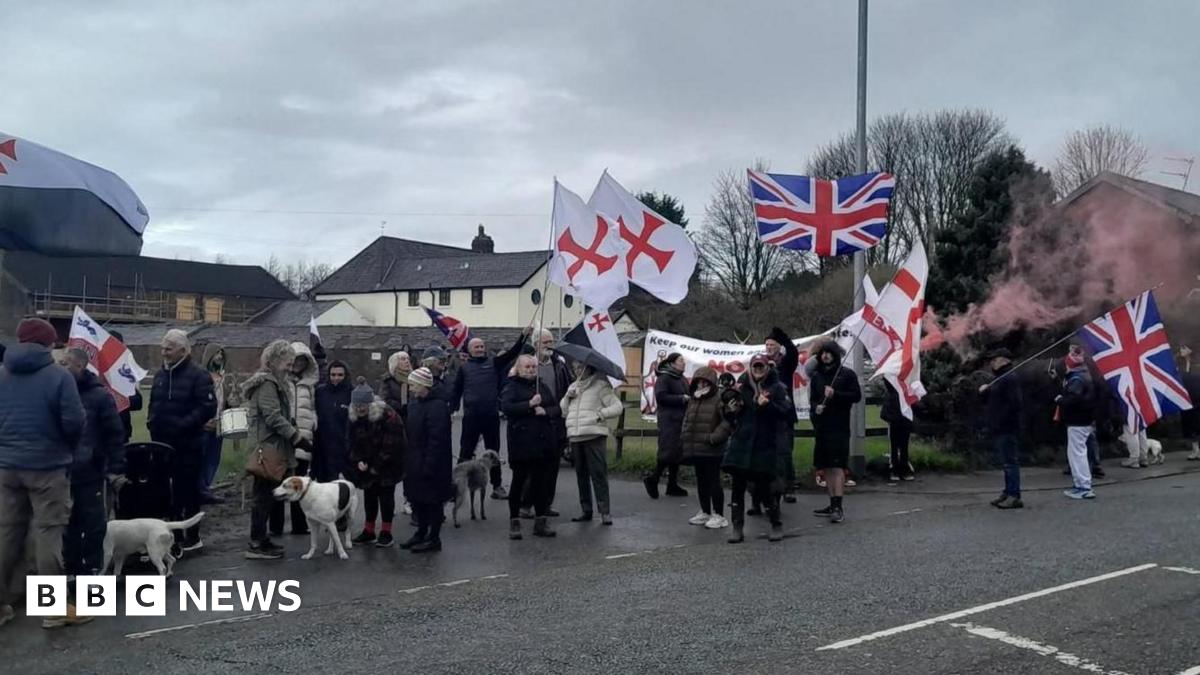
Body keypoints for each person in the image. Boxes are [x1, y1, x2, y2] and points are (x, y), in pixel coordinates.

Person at [0, 319, 87, 629]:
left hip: (7, 467)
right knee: (48, 533)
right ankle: (54, 608)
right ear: (49, 344)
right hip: (48, 468)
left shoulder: (2, 373)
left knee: (7, 533)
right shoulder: (59, 377)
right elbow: (75, 422)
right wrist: (67, 448)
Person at [242, 340, 312, 560]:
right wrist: (296, 436)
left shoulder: (272, 383)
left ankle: (261, 539)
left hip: (270, 447)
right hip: (267, 449)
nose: (290, 368)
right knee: (263, 497)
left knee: (266, 496)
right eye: (287, 363)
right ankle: (257, 543)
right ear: (274, 361)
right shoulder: (268, 385)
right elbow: (273, 417)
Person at [148, 329, 216, 554]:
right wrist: (151, 422)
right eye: (162, 347)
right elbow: (154, 403)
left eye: (168, 348)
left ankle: (193, 536)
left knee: (187, 491)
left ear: (183, 350)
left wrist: (183, 424)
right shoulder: (160, 375)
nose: (163, 352)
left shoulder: (199, 376)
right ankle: (174, 537)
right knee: (167, 493)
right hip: (161, 445)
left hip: (188, 445)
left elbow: (207, 407)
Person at [62, 349, 126, 580]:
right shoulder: (59, 392)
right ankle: (70, 570)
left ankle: (93, 571)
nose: (61, 366)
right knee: (67, 523)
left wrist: (116, 467)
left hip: (90, 470)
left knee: (94, 523)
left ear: (80, 365)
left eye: (66, 362)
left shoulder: (99, 396)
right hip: (62, 469)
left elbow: (114, 433)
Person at [453, 329, 530, 500]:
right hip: (471, 417)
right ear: (470, 350)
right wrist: (451, 409)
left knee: (493, 452)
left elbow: (512, 353)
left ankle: (497, 486)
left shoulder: (494, 363)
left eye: (482, 346)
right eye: (477, 347)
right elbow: (456, 391)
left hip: (490, 416)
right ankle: (456, 487)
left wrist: (523, 336)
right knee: (465, 451)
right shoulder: (464, 369)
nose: (480, 349)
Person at [722, 354, 790, 543]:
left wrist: (768, 405)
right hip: (741, 443)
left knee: (764, 488)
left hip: (764, 444)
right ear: (750, 368)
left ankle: (776, 524)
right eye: (755, 367)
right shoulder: (741, 388)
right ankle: (737, 527)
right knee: (737, 488)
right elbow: (730, 416)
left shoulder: (777, 388)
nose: (758, 370)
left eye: (761, 367)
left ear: (767, 368)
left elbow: (786, 413)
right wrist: (730, 410)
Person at [503, 354, 561, 539]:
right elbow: (507, 408)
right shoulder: (511, 387)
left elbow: (556, 408)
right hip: (521, 442)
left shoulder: (541, 386)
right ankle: (514, 522)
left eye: (533, 367)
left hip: (542, 442)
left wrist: (545, 410)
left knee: (540, 484)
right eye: (527, 367)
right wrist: (529, 404)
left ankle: (541, 521)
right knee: (519, 483)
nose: (530, 370)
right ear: (519, 369)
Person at [348, 378, 406, 548]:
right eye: (356, 406)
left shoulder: (388, 416)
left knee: (386, 496)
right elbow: (353, 441)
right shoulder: (354, 416)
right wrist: (358, 460)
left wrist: (375, 467)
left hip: (389, 463)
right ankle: (369, 530)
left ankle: (386, 532)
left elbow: (391, 446)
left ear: (370, 404)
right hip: (368, 459)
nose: (359, 409)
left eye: (362, 406)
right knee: (369, 495)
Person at [561, 362, 622, 525]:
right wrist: (568, 396)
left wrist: (600, 414)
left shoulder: (600, 385)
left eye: (581, 367)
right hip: (576, 436)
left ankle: (604, 511)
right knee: (581, 475)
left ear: (590, 368)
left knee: (598, 474)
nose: (578, 370)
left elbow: (617, 407)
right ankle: (586, 509)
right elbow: (564, 411)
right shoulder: (573, 386)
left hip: (594, 435)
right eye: (575, 368)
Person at [809, 341, 862, 524]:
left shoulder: (846, 374)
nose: (825, 356)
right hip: (822, 427)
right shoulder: (817, 376)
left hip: (839, 427)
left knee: (837, 466)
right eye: (822, 353)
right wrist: (816, 409)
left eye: (829, 353)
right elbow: (814, 399)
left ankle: (838, 506)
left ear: (835, 355)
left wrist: (836, 394)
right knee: (826, 467)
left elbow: (856, 396)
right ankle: (831, 502)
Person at [521, 329, 571, 518]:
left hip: (555, 420)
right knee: (532, 467)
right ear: (536, 345)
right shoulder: (528, 365)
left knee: (552, 467)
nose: (550, 345)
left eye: (551, 342)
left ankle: (546, 503)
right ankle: (525, 504)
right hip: (534, 420)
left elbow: (567, 387)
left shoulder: (560, 365)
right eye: (545, 342)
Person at [403, 367, 452, 553]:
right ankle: (421, 532)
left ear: (423, 385)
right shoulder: (415, 403)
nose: (410, 389)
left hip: (432, 462)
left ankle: (434, 538)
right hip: (415, 459)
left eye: (413, 385)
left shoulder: (438, 406)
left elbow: (437, 439)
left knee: (433, 501)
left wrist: (429, 465)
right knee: (418, 500)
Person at [680, 367, 733, 530]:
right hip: (696, 447)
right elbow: (687, 420)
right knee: (701, 481)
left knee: (714, 482)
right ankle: (705, 511)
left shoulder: (719, 398)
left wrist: (714, 438)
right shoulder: (694, 399)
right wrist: (684, 436)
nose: (701, 384)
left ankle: (719, 514)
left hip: (712, 448)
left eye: (705, 381)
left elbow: (727, 421)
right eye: (698, 381)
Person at [276, 341, 320, 536]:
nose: (298, 364)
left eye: (303, 361)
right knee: (280, 482)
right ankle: (275, 526)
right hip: (284, 438)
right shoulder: (281, 381)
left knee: (299, 483)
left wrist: (313, 421)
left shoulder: (309, 386)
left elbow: (311, 407)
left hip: (303, 436)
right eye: (296, 360)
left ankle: (299, 525)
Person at [980, 350, 1023, 509]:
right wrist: (986, 391)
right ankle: (1007, 491)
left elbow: (1015, 404)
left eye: (993, 360)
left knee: (1010, 462)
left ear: (1003, 360)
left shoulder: (1010, 378)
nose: (991, 363)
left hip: (1007, 427)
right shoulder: (1000, 379)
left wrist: (1000, 421)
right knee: (1006, 463)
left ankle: (1014, 495)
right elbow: (993, 401)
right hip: (1000, 427)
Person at [198, 343, 239, 505]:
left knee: (213, 458)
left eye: (221, 354)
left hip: (219, 424)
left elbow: (226, 401)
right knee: (201, 458)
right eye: (217, 354)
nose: (220, 357)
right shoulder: (201, 376)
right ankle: (199, 489)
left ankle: (206, 488)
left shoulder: (224, 378)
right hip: (205, 424)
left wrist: (232, 401)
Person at [645, 352, 689, 499]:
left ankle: (672, 484)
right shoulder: (664, 378)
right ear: (672, 363)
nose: (684, 363)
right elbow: (661, 397)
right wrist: (681, 398)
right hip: (669, 420)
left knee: (677, 452)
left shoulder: (681, 379)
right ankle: (653, 479)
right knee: (668, 451)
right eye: (681, 360)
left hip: (680, 420)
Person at [765, 327, 800, 501]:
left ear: (779, 347)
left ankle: (789, 487)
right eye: (767, 345)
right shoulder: (760, 364)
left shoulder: (785, 364)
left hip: (784, 415)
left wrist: (783, 337)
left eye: (772, 344)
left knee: (785, 452)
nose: (769, 347)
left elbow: (793, 352)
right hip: (766, 414)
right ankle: (768, 488)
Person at [1058, 350, 1097, 500]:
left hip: (1077, 422)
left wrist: (1060, 400)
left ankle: (1084, 487)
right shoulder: (1083, 377)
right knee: (1077, 453)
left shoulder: (1076, 380)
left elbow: (1073, 399)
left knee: (1077, 454)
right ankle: (1081, 485)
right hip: (1083, 421)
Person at [313, 360, 353, 482]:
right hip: (322, 448)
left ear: (346, 376)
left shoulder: (352, 393)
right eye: (333, 375)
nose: (336, 378)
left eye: (340, 375)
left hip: (344, 448)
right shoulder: (320, 392)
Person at [107, 329, 142, 444]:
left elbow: (137, 402)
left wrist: (117, 398)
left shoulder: (127, 370)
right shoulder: (95, 369)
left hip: (121, 429)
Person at [881, 380, 915, 482]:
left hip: (901, 421)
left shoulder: (901, 392)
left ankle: (900, 469)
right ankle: (897, 469)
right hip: (897, 421)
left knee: (901, 446)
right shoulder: (893, 393)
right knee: (896, 446)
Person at [1179, 346, 1200, 461]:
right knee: (1190, 425)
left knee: (1198, 423)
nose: (1182, 351)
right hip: (1187, 399)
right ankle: (1195, 450)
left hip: (1197, 397)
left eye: (1184, 348)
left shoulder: (1196, 363)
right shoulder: (1179, 363)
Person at [379, 351, 412, 419]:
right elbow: (384, 399)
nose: (407, 361)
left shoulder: (414, 378)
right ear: (395, 363)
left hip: (411, 415)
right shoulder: (388, 380)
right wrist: (401, 406)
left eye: (408, 359)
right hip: (394, 416)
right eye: (403, 359)